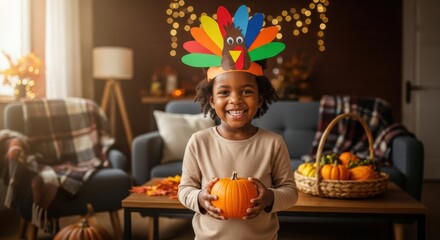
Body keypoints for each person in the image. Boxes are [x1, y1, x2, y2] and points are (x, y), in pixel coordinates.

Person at [178, 5, 298, 240]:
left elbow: (291, 192)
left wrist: (270, 197)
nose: (235, 100)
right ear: (211, 100)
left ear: (260, 98)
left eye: (246, 91)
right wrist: (199, 199)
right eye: (224, 93)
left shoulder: (272, 143)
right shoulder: (198, 142)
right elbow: (184, 189)